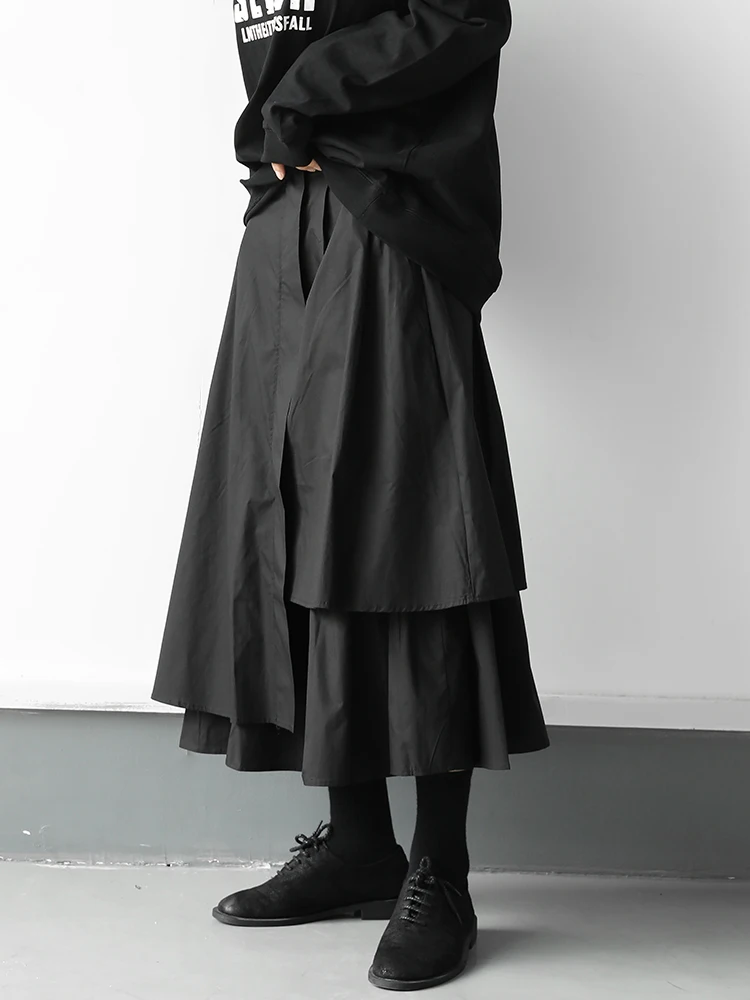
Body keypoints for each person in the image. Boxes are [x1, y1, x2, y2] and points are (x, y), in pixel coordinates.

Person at [151, 0, 550, 989]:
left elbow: (464, 11)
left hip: (387, 212)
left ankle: (440, 873)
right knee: (288, 522)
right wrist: (271, 146)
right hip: (287, 217)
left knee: (411, 531)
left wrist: (299, 99)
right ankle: (362, 842)